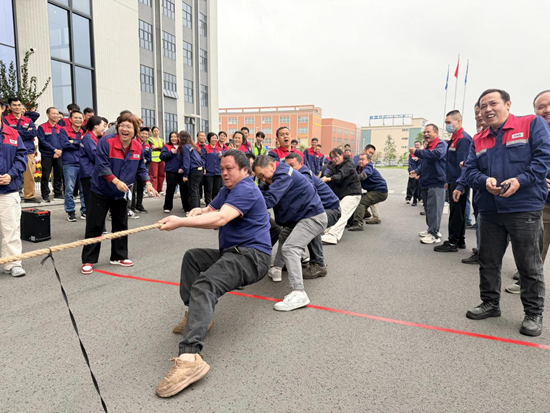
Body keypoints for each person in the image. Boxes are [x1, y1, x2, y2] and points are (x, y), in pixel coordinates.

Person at [155, 150, 271, 398]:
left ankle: (190, 358)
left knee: (205, 285)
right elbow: (211, 210)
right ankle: (198, 317)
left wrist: (180, 222)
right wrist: (198, 211)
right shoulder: (228, 190)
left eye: (230, 168)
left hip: (252, 257)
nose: (224, 173)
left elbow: (220, 218)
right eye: (222, 168)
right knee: (193, 258)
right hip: (232, 252)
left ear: (244, 170)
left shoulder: (246, 188)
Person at [464, 88, 550, 337]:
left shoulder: (531, 124)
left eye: (493, 103)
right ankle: (490, 303)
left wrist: (519, 181)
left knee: (528, 265)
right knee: (488, 261)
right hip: (490, 210)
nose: (487, 109)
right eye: (483, 106)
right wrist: (484, 181)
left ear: (508, 104)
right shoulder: (479, 138)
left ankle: (533, 313)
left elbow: (543, 160)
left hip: (524, 209)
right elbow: (469, 171)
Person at [81, 112, 158, 275]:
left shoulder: (137, 147)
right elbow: (101, 165)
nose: (124, 129)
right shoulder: (106, 142)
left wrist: (148, 183)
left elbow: (141, 168)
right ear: (117, 127)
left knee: (121, 224)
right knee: (95, 225)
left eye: (129, 126)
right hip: (101, 190)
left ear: (135, 130)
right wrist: (115, 181)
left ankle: (119, 256)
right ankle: (88, 260)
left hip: (121, 192)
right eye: (122, 125)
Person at [253, 155, 327, 311]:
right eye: (259, 177)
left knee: (290, 248)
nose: (263, 179)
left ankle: (299, 293)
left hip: (312, 217)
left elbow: (269, 200)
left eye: (263, 175)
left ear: (272, 165)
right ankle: (277, 269)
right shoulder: (276, 175)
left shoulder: (283, 174)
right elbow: (262, 190)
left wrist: (243, 204)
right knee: (284, 235)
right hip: (300, 218)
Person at [505, 90, 550, 294]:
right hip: (542, 203)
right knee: (535, 248)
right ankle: (527, 283)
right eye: (541, 107)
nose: (546, 110)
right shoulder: (530, 133)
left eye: (549, 105)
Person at [285, 152, 341, 279]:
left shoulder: (303, 175)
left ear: (301, 164)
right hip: (321, 209)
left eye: (292, 166)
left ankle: (318, 265)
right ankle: (295, 258)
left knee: (311, 223)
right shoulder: (295, 175)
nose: (289, 169)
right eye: (287, 166)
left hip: (331, 210)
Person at [434, 110, 472, 252]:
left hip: (459, 181)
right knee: (458, 211)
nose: (447, 125)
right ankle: (460, 240)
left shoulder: (463, 139)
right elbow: (451, 163)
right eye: (446, 123)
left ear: (458, 121)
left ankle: (452, 242)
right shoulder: (455, 138)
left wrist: (460, 184)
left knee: (456, 212)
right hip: (453, 180)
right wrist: (448, 181)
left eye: (449, 122)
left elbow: (463, 164)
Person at [409, 124, 447, 244]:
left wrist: (417, 152)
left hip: (436, 182)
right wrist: (417, 171)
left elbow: (436, 155)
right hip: (426, 182)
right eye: (424, 132)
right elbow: (425, 162)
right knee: (429, 209)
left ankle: (435, 234)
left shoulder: (441, 144)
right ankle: (430, 229)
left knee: (435, 210)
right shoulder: (428, 146)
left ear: (436, 133)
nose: (426, 134)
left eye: (428, 132)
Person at [0, 114, 27, 277]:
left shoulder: (13, 133)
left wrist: (11, 175)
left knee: (11, 229)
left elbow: (21, 157)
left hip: (8, 190)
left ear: (2, 109)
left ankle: (13, 263)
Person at [461, 104, 488, 265]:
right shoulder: (477, 138)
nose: (479, 115)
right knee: (481, 221)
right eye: (477, 112)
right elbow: (470, 166)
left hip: (506, 196)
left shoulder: (507, 135)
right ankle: (480, 252)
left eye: (481, 111)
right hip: (482, 192)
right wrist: (460, 184)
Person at [320, 148, 362, 245]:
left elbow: (340, 175)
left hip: (353, 194)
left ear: (342, 155)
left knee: (343, 214)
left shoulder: (349, 164)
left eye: (336, 157)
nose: (334, 159)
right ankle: (329, 231)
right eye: (332, 158)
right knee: (337, 213)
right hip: (343, 195)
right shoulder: (334, 165)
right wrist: (325, 177)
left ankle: (332, 235)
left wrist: (328, 179)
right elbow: (329, 173)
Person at [3, 97, 39, 203]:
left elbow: (34, 133)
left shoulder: (28, 120)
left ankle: (29, 196)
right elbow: (6, 133)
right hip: (10, 151)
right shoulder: (5, 120)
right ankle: (12, 194)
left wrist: (16, 132)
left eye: (19, 105)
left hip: (27, 150)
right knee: (10, 173)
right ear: (9, 107)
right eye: (14, 105)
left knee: (29, 174)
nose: (17, 107)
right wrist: (25, 132)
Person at [348, 153, 388, 230]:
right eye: (359, 159)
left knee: (361, 202)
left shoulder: (368, 167)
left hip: (380, 192)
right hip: (373, 191)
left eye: (363, 159)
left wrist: (353, 179)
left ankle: (358, 224)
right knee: (359, 199)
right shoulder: (359, 168)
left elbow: (364, 175)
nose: (360, 161)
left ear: (368, 161)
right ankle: (365, 214)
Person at [60, 110, 86, 222]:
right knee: (69, 189)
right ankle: (70, 211)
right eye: (76, 118)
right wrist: (78, 143)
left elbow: (86, 145)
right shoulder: (64, 130)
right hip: (69, 163)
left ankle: (84, 211)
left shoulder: (84, 131)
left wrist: (73, 142)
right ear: (70, 119)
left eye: (80, 118)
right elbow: (64, 144)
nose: (78, 120)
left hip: (83, 164)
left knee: (84, 189)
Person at [80, 116, 105, 214]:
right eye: (102, 125)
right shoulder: (88, 138)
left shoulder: (94, 138)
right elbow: (94, 155)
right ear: (96, 126)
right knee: (91, 201)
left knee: (95, 201)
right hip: (89, 173)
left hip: (92, 172)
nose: (104, 128)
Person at [37, 107, 64, 202]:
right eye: (53, 113)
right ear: (48, 114)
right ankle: (45, 194)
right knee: (45, 175)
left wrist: (59, 151)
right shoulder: (42, 127)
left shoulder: (61, 128)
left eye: (57, 113)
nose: (56, 115)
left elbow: (63, 141)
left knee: (58, 174)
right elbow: (42, 141)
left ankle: (58, 193)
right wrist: (54, 150)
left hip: (59, 154)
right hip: (47, 155)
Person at [161, 132, 184, 213]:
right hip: (171, 171)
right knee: (170, 189)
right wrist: (170, 152)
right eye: (172, 137)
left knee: (184, 189)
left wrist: (182, 168)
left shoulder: (182, 147)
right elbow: (162, 157)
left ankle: (186, 207)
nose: (173, 138)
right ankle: (167, 207)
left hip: (181, 171)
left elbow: (186, 158)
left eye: (175, 137)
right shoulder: (166, 146)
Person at [131, 126, 152, 214]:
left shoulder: (147, 145)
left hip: (142, 170)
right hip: (133, 170)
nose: (144, 135)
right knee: (133, 189)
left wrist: (146, 160)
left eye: (146, 134)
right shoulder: (133, 143)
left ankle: (139, 205)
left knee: (140, 189)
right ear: (138, 133)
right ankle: (132, 206)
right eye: (143, 133)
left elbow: (150, 158)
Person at [182, 130, 205, 210]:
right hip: (199, 169)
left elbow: (186, 161)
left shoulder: (185, 147)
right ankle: (197, 208)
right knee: (196, 190)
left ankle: (194, 210)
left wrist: (185, 175)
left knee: (192, 191)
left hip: (194, 170)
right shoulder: (193, 146)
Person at [202, 132, 222, 205]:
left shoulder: (220, 148)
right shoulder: (205, 148)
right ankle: (208, 205)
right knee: (208, 190)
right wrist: (204, 168)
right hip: (209, 172)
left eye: (216, 138)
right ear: (209, 139)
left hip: (218, 172)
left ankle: (215, 205)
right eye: (213, 138)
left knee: (216, 190)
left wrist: (222, 156)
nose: (214, 139)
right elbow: (203, 159)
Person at [148, 126, 165, 194]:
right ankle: (154, 189)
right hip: (154, 159)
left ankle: (160, 189)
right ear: (152, 132)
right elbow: (153, 147)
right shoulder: (150, 139)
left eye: (157, 131)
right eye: (154, 131)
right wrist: (160, 148)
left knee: (162, 174)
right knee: (153, 175)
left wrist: (158, 148)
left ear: (159, 132)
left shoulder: (162, 140)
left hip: (161, 159)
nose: (156, 132)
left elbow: (164, 148)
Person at [406, 141, 422, 205]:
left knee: (419, 186)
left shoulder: (422, 153)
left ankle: (419, 198)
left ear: (420, 146)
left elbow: (422, 164)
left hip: (419, 172)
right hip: (412, 172)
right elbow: (410, 163)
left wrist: (418, 159)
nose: (417, 146)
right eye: (416, 145)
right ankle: (408, 198)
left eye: (418, 145)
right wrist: (411, 171)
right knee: (411, 185)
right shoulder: (411, 154)